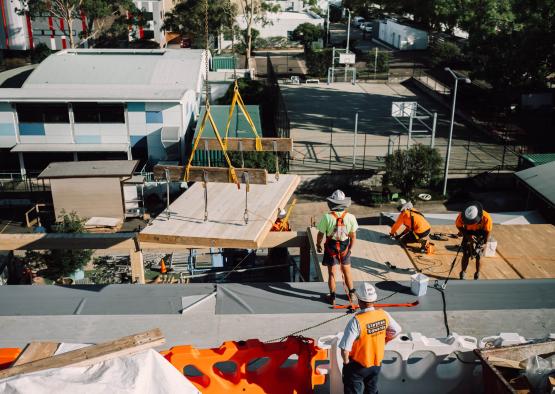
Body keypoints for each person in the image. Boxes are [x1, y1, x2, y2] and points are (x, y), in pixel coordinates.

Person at [339, 282, 402, 394]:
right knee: (371, 390)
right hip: (376, 363)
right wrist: (384, 341)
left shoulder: (356, 321)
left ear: (359, 300)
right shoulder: (384, 314)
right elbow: (397, 330)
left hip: (357, 365)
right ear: (374, 300)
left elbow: (345, 349)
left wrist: (346, 364)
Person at [316, 190, 359, 305]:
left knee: (332, 273)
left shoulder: (326, 217)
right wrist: (350, 248)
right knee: (347, 271)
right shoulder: (350, 217)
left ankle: (333, 297)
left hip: (331, 246)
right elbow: (353, 236)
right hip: (345, 246)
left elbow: (320, 234)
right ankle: (351, 293)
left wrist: (318, 244)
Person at [455, 201, 492, 280]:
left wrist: (485, 243)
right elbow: (458, 225)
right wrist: (468, 236)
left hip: (481, 233)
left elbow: (487, 232)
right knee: (466, 254)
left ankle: (477, 273)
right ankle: (463, 272)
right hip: (467, 232)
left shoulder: (487, 218)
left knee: (479, 256)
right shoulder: (462, 215)